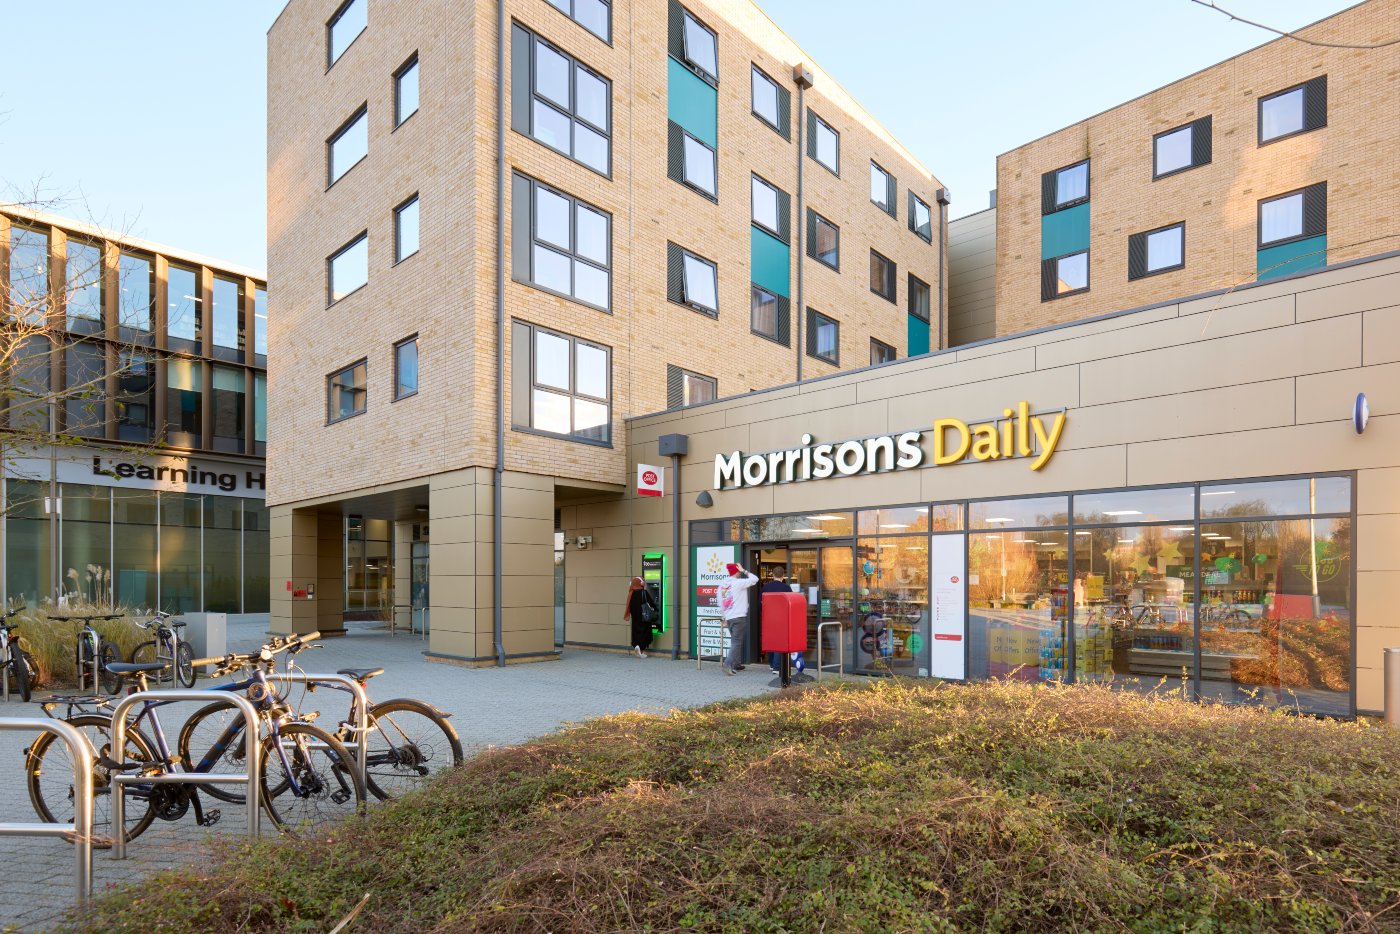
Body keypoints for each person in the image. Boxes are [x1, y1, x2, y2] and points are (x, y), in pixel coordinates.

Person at [717, 562, 758, 675]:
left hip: (729, 618)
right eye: (739, 571)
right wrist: (745, 570)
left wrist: (724, 617)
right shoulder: (738, 583)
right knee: (736, 642)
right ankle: (728, 664)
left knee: (735, 642)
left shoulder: (723, 585)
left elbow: (721, 603)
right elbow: (755, 579)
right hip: (739, 617)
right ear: (737, 571)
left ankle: (734, 665)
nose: (740, 572)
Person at [762, 573, 792, 674]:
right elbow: (790, 603)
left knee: (771, 640)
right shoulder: (786, 587)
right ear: (783, 575)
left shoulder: (765, 587)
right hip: (781, 619)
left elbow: (760, 602)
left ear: (773, 575)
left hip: (768, 618)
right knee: (779, 642)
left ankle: (771, 664)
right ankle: (776, 667)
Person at [623, 577, 656, 658]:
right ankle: (641, 650)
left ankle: (637, 646)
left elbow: (629, 606)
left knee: (636, 632)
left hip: (635, 617)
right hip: (644, 617)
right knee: (644, 632)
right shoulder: (643, 592)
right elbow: (651, 603)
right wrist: (655, 608)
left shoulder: (631, 593)